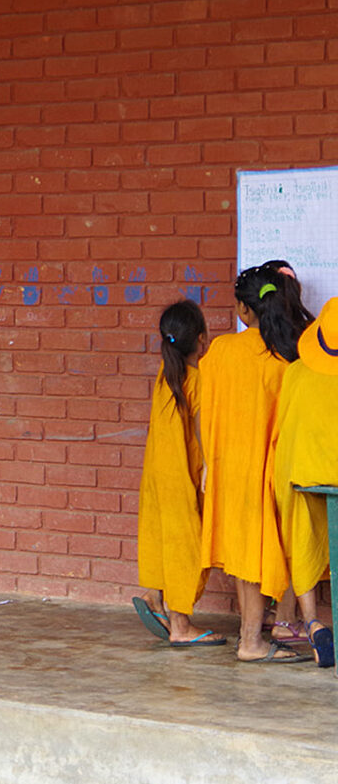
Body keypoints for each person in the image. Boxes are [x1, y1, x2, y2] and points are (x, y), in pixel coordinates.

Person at [199, 265, 310, 663]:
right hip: (279, 470)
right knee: (287, 546)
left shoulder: (222, 351)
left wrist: (210, 465)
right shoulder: (290, 356)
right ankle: (271, 628)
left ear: (245, 312)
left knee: (248, 555)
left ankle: (253, 637)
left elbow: (203, 416)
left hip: (232, 469)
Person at [133, 301, 225, 647]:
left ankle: (155, 597)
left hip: (157, 474)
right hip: (183, 477)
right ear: (202, 340)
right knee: (188, 545)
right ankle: (181, 625)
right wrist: (212, 470)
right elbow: (202, 433)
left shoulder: (165, 374)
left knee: (161, 537)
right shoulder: (196, 380)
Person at [270, 297, 338, 668]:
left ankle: (312, 622)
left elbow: (285, 430)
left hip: (305, 475)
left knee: (304, 538)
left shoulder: (297, 373)